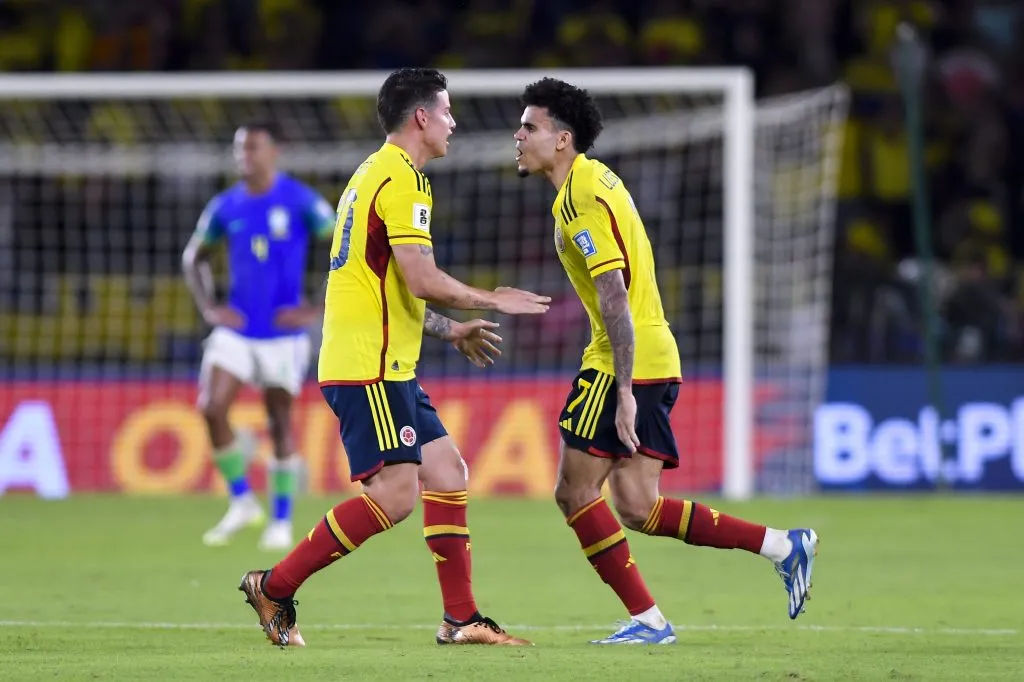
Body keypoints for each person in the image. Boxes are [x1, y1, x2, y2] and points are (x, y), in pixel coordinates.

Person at [238, 67, 549, 648]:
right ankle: (274, 585)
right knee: (398, 495)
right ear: (422, 117)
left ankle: (461, 618)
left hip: (387, 364)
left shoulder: (371, 174)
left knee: (448, 473)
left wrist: (449, 329)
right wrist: (492, 297)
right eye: (448, 112)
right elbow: (422, 277)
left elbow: (387, 284)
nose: (455, 123)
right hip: (369, 366)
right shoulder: (401, 179)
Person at [513, 77, 818, 644]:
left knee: (574, 493)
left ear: (563, 139)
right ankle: (782, 544)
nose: (519, 135)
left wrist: (624, 390)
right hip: (656, 350)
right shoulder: (593, 182)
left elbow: (614, 293)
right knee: (636, 504)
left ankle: (649, 620)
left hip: (620, 359)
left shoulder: (579, 196)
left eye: (530, 126)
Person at [182, 122, 335, 551]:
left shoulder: (301, 200)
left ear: (274, 152)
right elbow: (193, 256)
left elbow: (344, 244)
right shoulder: (225, 206)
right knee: (211, 407)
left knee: (279, 421)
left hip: (284, 334)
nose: (244, 156)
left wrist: (315, 306)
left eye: (252, 147)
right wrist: (210, 307)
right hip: (238, 329)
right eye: (238, 149)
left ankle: (281, 520)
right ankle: (242, 501)